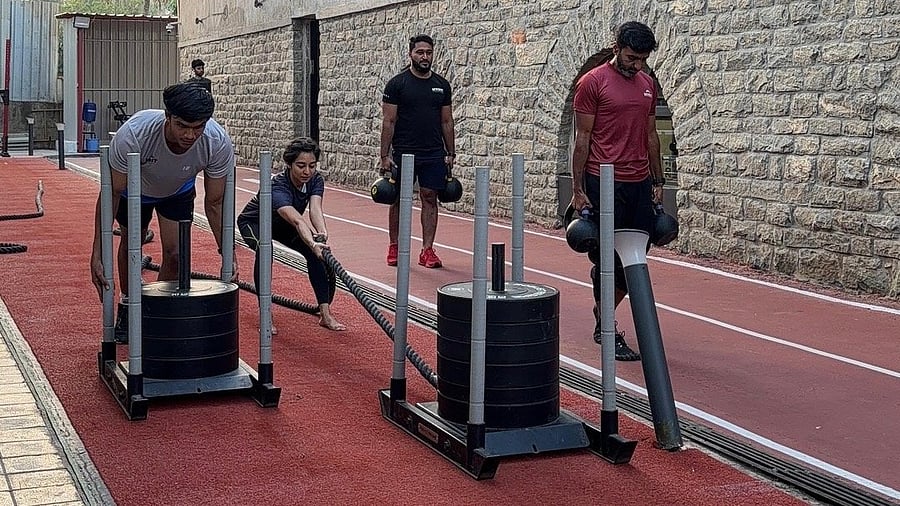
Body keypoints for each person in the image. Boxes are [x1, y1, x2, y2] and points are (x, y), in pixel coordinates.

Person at [89, 82, 237, 343]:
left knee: (177, 255)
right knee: (132, 245)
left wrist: (228, 252)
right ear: (167, 117)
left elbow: (215, 203)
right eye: (182, 126)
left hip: (178, 189)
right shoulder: (134, 134)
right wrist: (98, 252)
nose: (190, 136)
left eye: (197, 128)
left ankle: (157, 310)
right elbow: (111, 193)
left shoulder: (217, 142)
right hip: (134, 188)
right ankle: (129, 304)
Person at [571, 21, 665, 361]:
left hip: (638, 181)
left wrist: (659, 181)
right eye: (631, 57)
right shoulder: (592, 83)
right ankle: (605, 326)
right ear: (616, 48)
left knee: (635, 259)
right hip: (603, 180)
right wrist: (578, 189)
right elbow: (582, 138)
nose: (637, 65)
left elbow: (652, 134)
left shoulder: (647, 84)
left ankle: (602, 307)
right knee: (612, 261)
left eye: (642, 59)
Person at [237, 137, 346, 332]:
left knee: (314, 254)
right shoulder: (278, 186)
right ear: (289, 165)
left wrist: (322, 233)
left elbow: (315, 209)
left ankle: (325, 314)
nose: (307, 172)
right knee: (265, 249)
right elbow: (297, 220)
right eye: (301, 166)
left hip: (282, 224)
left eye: (312, 166)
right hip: (255, 223)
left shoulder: (315, 180)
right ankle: (265, 313)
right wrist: (312, 242)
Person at [379, 34, 456, 269]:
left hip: (433, 152)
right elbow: (388, 121)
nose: (425, 57)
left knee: (430, 198)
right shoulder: (397, 84)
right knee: (398, 200)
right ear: (411, 54)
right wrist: (384, 155)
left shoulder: (441, 85)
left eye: (428, 52)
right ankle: (395, 246)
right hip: (404, 152)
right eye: (420, 52)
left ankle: (427, 250)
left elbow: (447, 121)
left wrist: (450, 152)